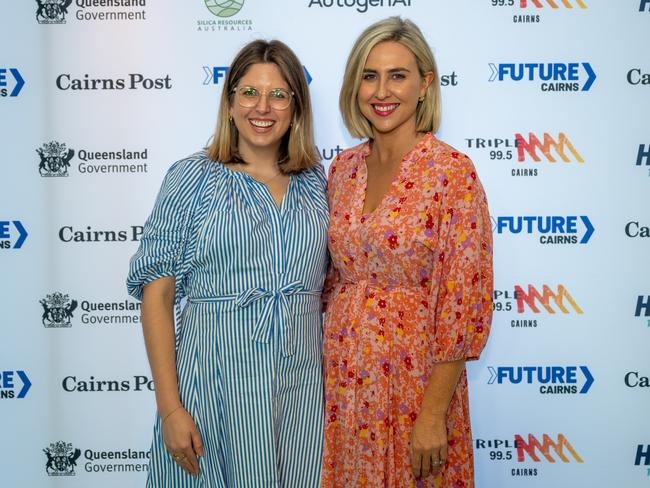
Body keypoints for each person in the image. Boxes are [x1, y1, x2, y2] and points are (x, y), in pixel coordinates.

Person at [127, 39, 328, 487]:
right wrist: (170, 409)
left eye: (278, 94)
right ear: (230, 101)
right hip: (213, 389)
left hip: (301, 395)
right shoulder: (191, 178)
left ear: (296, 106)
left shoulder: (318, 182)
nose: (263, 107)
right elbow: (156, 296)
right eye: (249, 92)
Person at [321, 17, 493, 487]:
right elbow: (329, 280)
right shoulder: (343, 168)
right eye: (369, 75)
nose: (382, 90)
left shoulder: (452, 174)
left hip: (415, 386)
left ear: (425, 84)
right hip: (343, 383)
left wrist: (433, 415)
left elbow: (463, 305)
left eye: (397, 75)